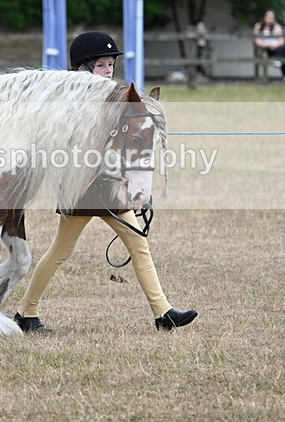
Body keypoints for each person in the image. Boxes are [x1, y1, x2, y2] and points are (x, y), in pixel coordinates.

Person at [13, 31, 198, 333]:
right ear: (84, 69)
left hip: (112, 189)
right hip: (82, 190)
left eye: (111, 65)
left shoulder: (116, 99)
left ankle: (163, 312)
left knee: (138, 245)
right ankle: (26, 313)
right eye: (101, 65)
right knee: (60, 252)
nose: (108, 71)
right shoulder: (70, 106)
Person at [253, 10, 285, 82]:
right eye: (269, 17)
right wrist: (267, 45)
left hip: (276, 48)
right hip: (265, 49)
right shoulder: (259, 26)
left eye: (272, 18)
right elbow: (257, 40)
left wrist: (275, 45)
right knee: (282, 54)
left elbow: (282, 40)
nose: (271, 19)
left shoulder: (277, 27)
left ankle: (281, 66)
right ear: (265, 17)